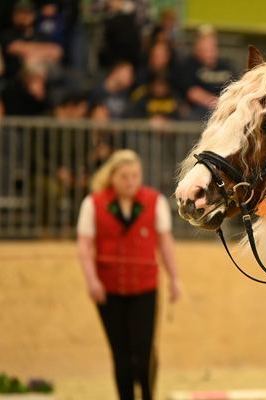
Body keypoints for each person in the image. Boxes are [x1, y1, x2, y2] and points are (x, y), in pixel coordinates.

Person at [77, 149, 181, 400]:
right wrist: (92, 281)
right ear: (112, 177)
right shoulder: (93, 203)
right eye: (124, 176)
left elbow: (165, 243)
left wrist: (174, 278)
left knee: (143, 351)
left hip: (144, 288)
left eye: (135, 176)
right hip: (109, 289)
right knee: (120, 352)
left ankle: (147, 394)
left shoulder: (154, 202)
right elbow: (84, 246)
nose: (130, 181)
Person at [178, 26, 235, 120]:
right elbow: (192, 93)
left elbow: (234, 88)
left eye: (212, 47)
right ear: (198, 46)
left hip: (224, 108)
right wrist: (216, 104)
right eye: (206, 48)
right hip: (200, 112)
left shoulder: (226, 66)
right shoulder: (189, 65)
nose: (210, 52)